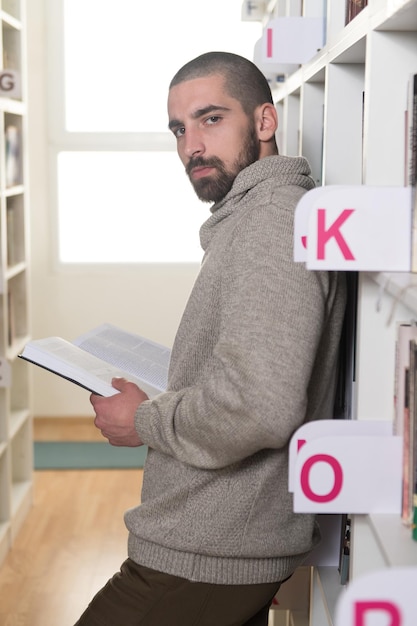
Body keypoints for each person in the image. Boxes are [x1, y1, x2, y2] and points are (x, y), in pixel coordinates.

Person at [75, 51, 347, 625]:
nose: (192, 144)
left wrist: (143, 419)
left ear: (265, 122)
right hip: (214, 542)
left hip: (208, 550)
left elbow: (261, 405)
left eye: (211, 119)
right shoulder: (251, 218)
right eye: (180, 128)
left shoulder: (270, 222)